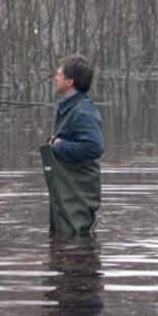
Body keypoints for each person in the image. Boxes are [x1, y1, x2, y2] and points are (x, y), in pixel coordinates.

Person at [40, 55, 104, 235]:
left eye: (58, 74)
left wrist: (59, 146)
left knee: (75, 242)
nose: (55, 78)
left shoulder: (83, 111)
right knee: (64, 242)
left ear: (69, 81)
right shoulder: (71, 108)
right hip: (67, 194)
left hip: (76, 196)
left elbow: (94, 147)